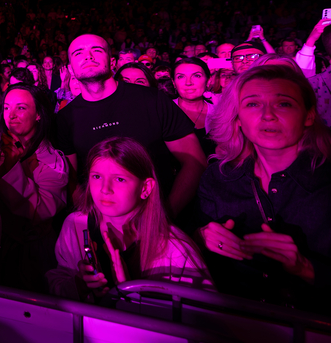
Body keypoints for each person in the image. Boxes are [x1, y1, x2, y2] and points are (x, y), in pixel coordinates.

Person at [196, 64, 331, 312]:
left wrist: (306, 268)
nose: (268, 115)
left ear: (309, 115)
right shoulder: (218, 179)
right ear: (237, 119)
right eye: (253, 104)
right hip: (239, 325)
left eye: (284, 104)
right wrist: (201, 237)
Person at [56, 34, 206, 219]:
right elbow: (72, 182)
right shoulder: (65, 119)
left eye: (96, 50)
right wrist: (100, 223)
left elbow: (194, 161)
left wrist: (165, 218)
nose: (88, 56)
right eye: (79, 53)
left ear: (112, 62)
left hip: (160, 220)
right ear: (70, 68)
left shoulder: (153, 100)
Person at [48, 137, 212, 302]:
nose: (105, 189)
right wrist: (79, 285)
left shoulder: (175, 249)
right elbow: (54, 286)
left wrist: (131, 294)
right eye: (97, 177)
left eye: (120, 179)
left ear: (145, 188)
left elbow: (205, 317)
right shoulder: (76, 225)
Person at [0, 84, 67, 290]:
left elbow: (40, 210)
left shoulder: (52, 161)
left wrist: (11, 167)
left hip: (28, 257)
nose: (10, 115)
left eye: (20, 108)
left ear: (38, 114)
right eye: (6, 108)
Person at [172, 57, 217, 157]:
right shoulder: (164, 112)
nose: (188, 82)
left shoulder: (220, 114)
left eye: (196, 76)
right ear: (173, 83)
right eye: (181, 77)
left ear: (208, 81)